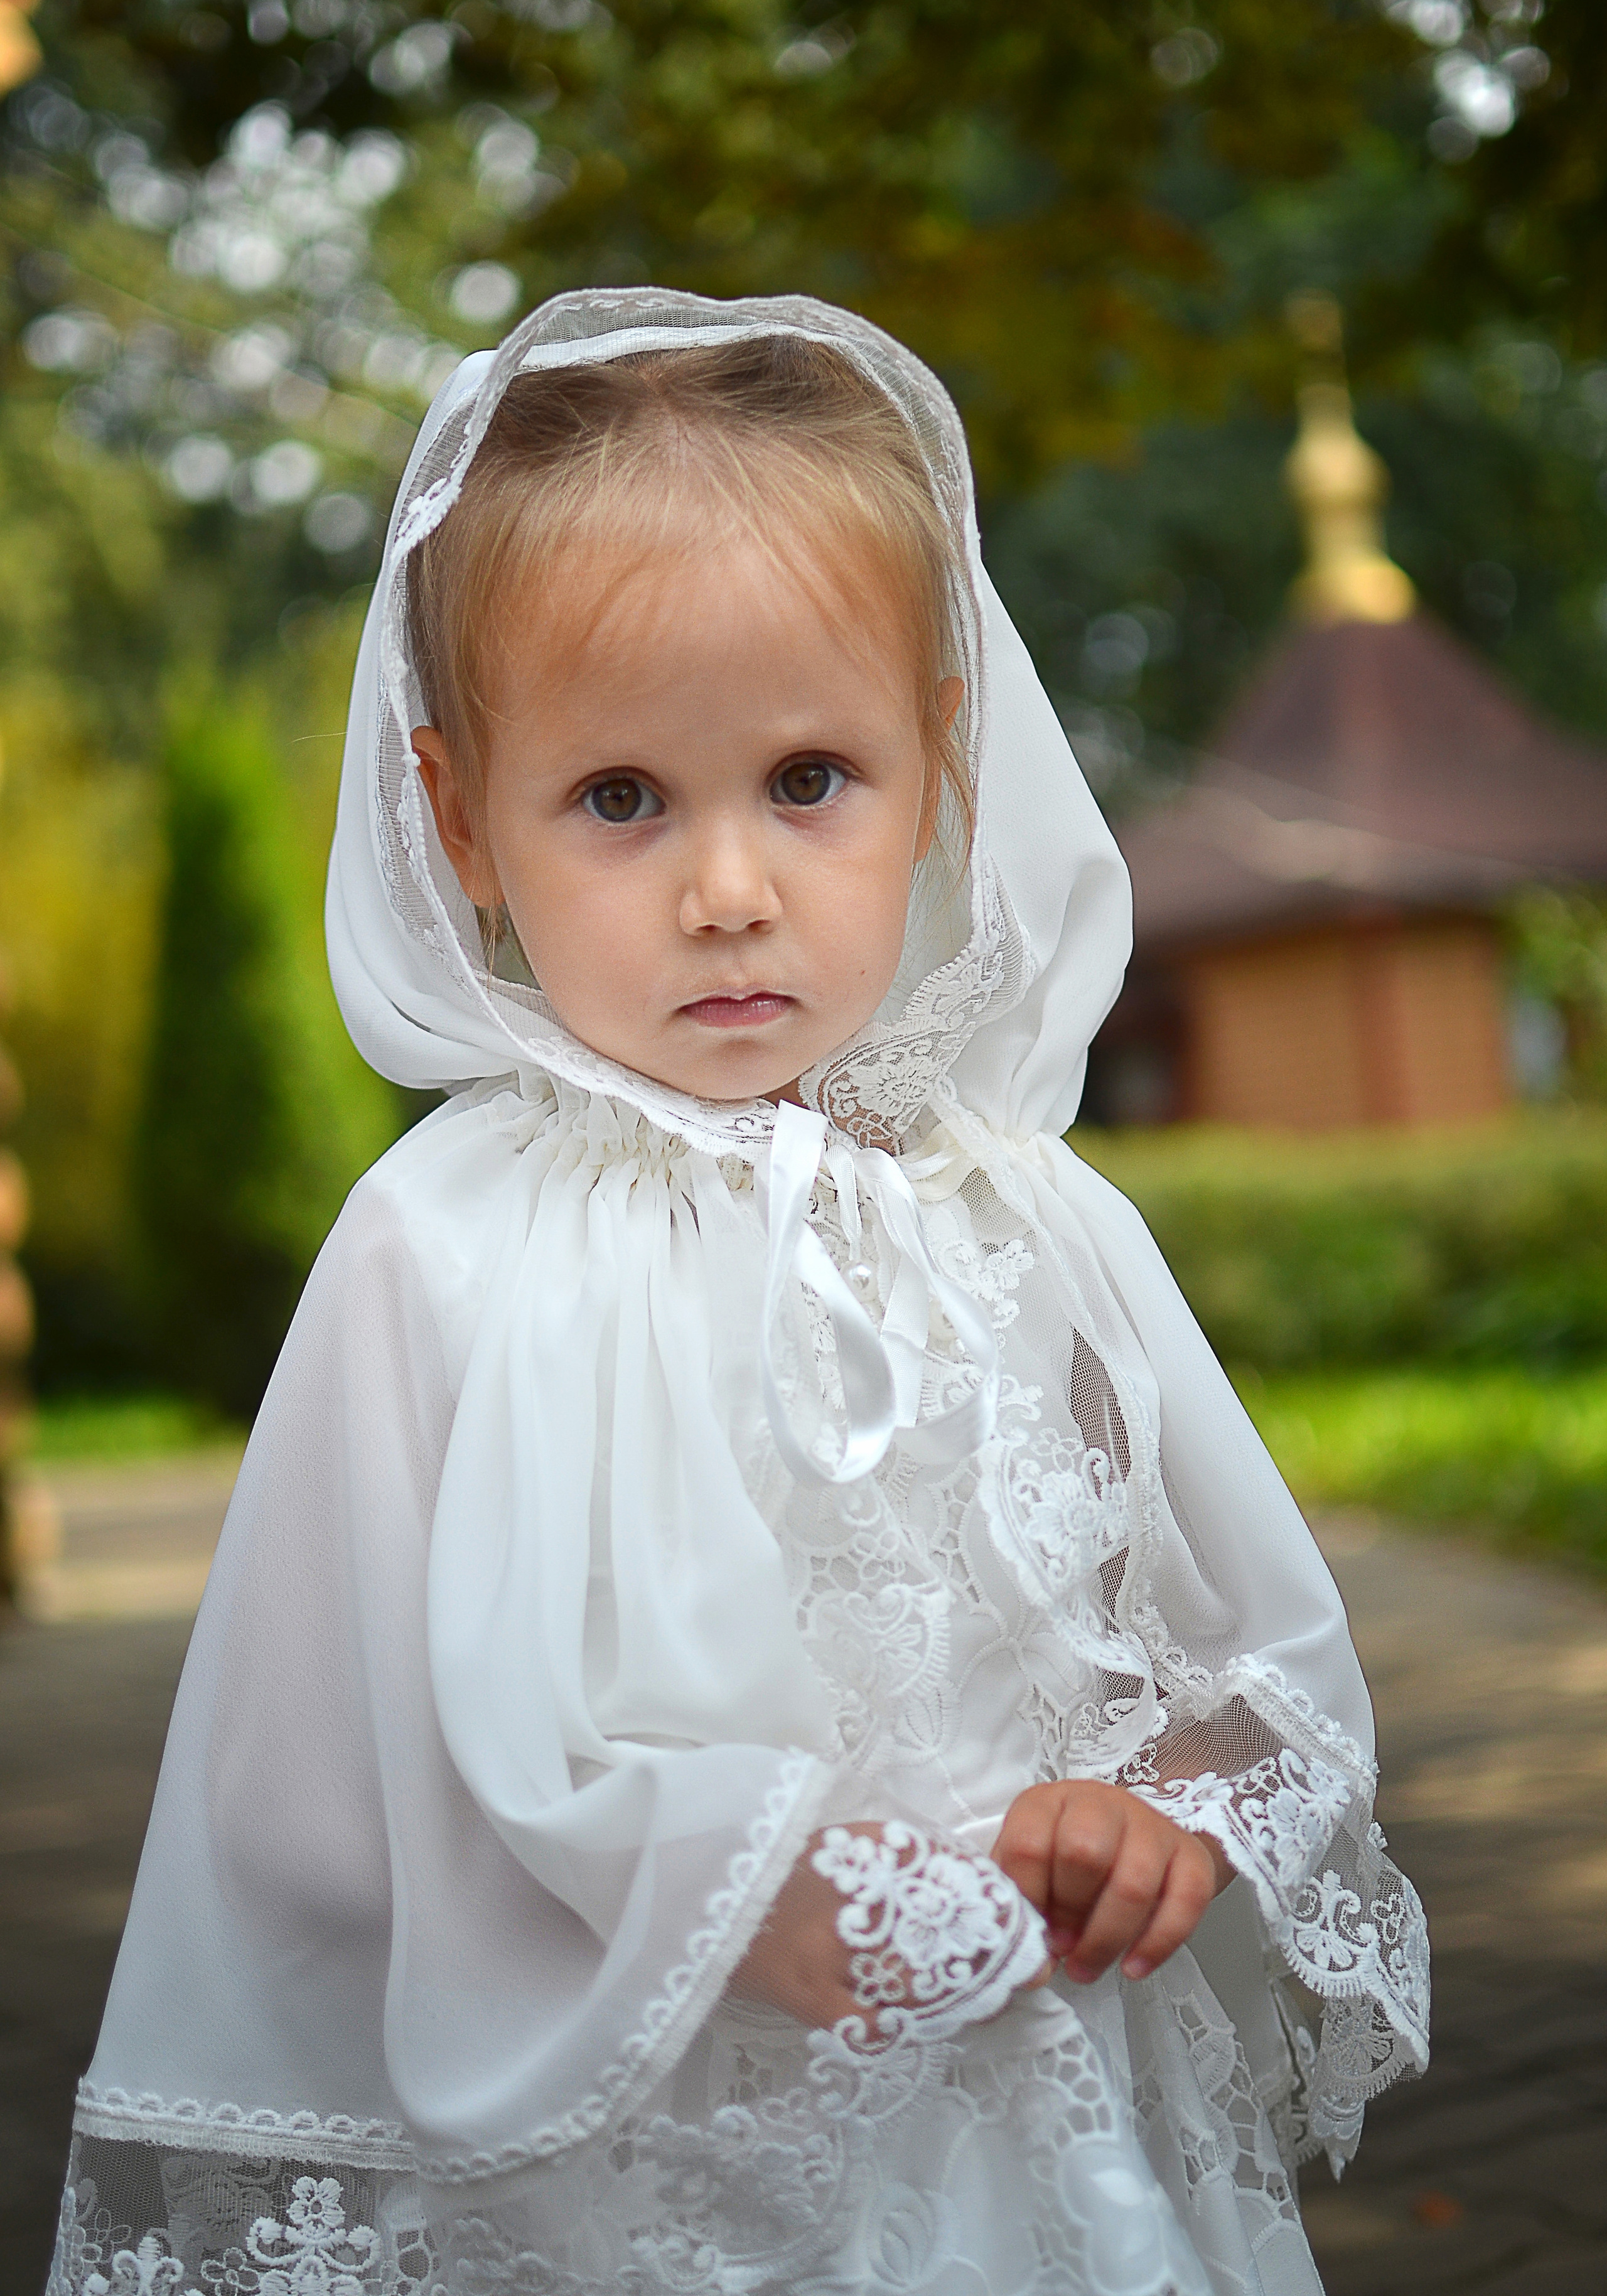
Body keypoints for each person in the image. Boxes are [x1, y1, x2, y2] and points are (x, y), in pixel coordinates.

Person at [48, 292, 1428, 2296]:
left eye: (808, 777)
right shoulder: (445, 1246)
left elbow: (1228, 1656)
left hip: (1029, 2117)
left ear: (937, 767)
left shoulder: (1023, 1217)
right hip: (648, 2154)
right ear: (464, 823)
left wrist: (1156, 1816)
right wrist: (725, 1887)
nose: (728, 889)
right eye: (621, 799)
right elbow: (321, 1779)